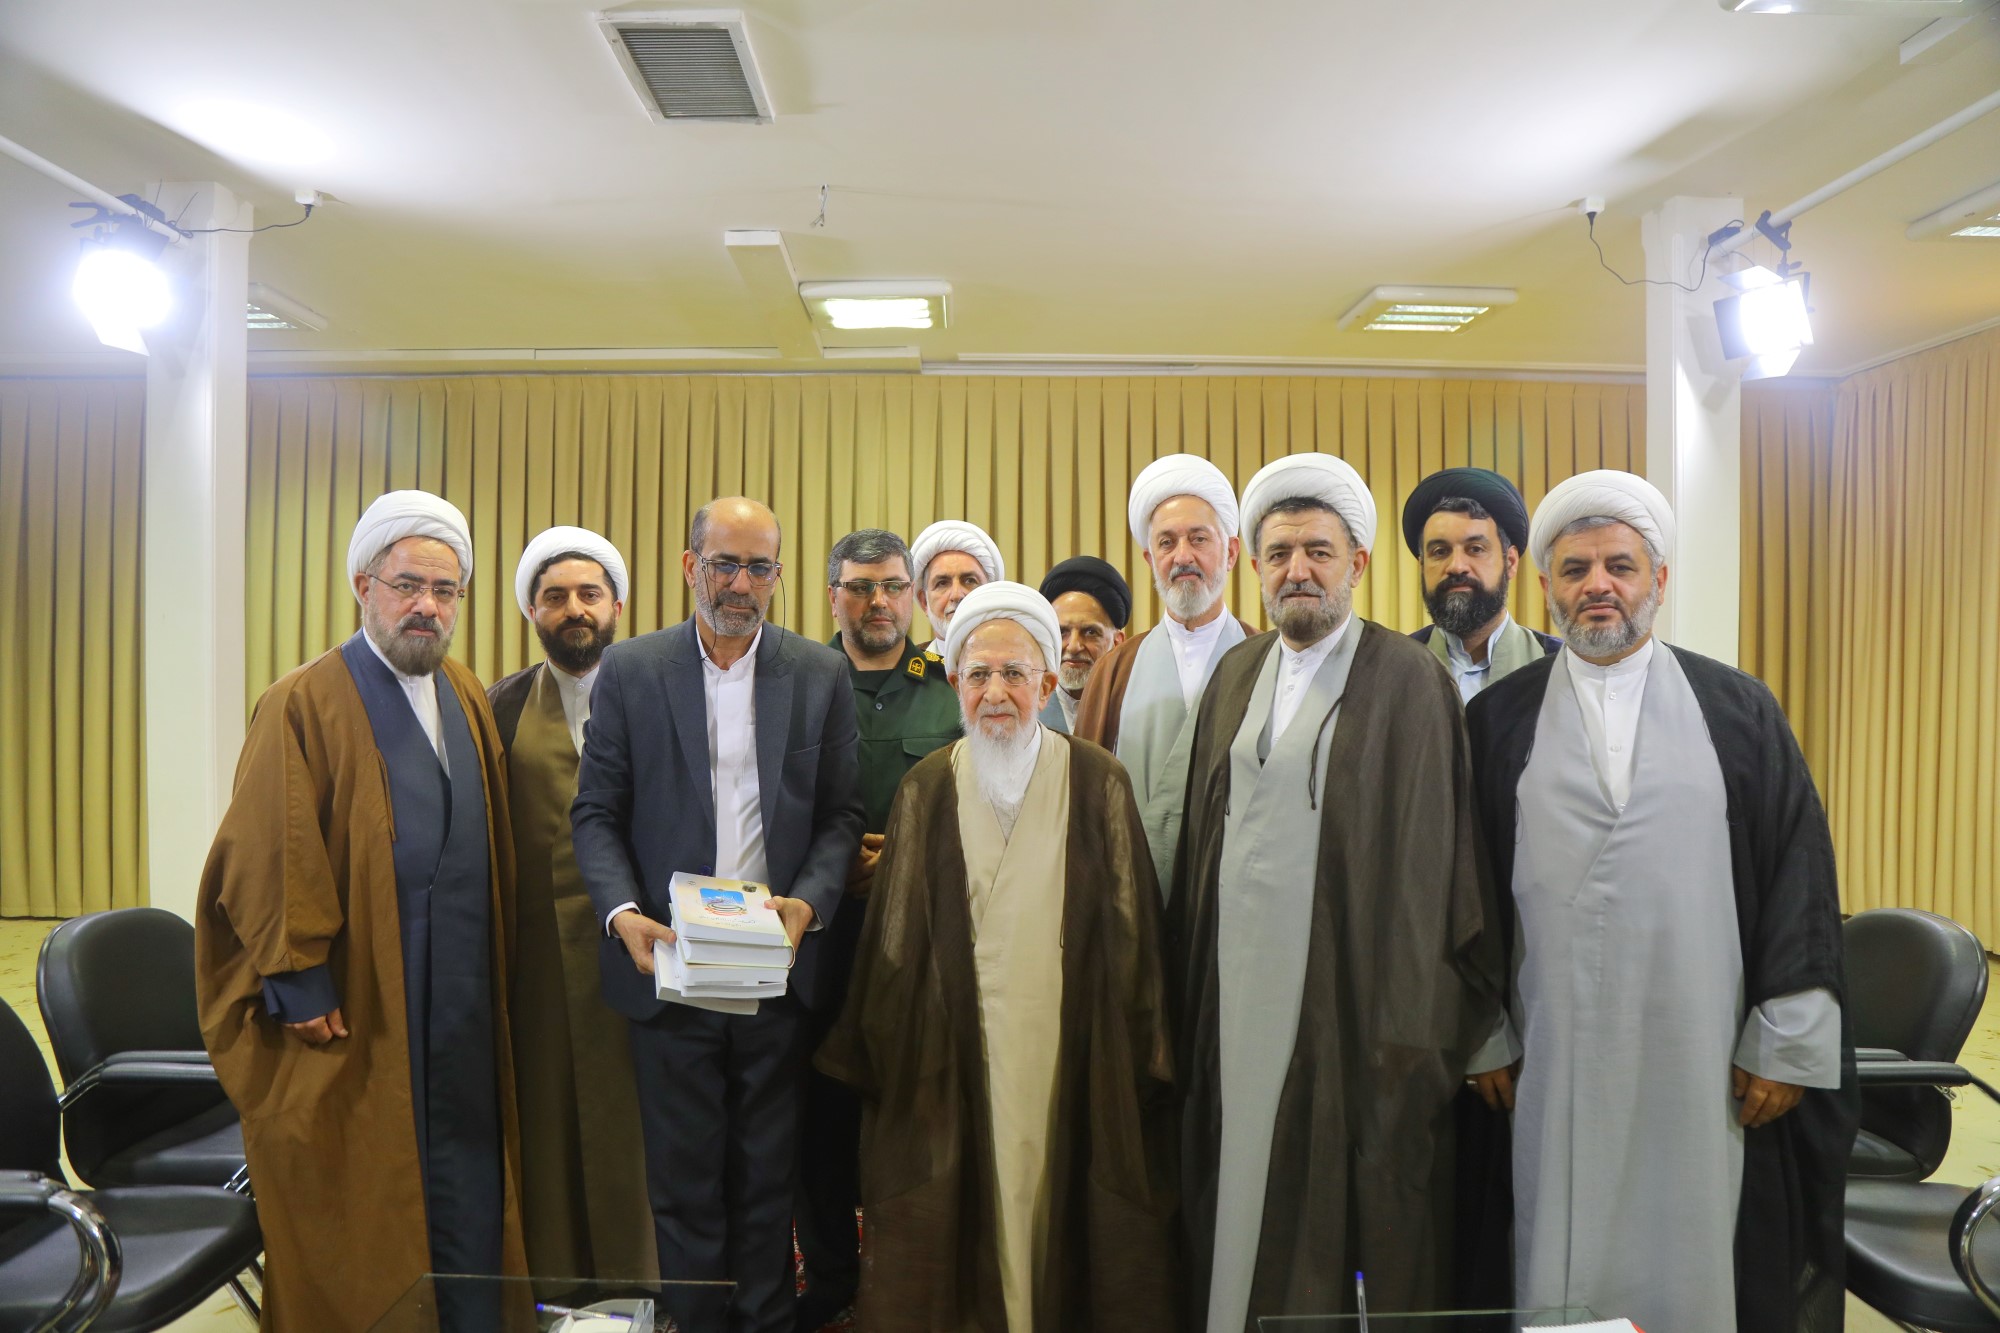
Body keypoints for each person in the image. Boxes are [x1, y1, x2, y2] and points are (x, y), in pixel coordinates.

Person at [1463, 470, 1856, 1332]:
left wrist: (1786, 1039)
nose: (1598, 585)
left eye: (1620, 566)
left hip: (1702, 1054)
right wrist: (1480, 1030)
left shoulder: (1739, 710)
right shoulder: (1496, 720)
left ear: (1660, 579)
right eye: (1575, 569)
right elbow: (1464, 891)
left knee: (1696, 1242)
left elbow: (1798, 874)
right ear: (1546, 586)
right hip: (1548, 1053)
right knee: (1549, 1236)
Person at [1170, 455, 1503, 1330]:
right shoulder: (1236, 672)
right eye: (1279, 553)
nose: (1298, 571)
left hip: (1353, 1001)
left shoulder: (1407, 680)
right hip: (1232, 993)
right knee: (1230, 1182)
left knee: (1341, 1207)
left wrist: (1408, 1026)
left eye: (1318, 551)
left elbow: (1432, 866)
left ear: (1357, 563)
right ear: (1255, 565)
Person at [195, 490, 526, 1329]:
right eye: (407, 584)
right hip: (360, 995)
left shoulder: (463, 689)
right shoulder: (302, 700)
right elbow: (271, 849)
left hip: (460, 995)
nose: (427, 606)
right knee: (368, 1189)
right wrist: (300, 979)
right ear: (362, 584)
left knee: (467, 1170)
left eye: (445, 590)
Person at [817, 582, 1178, 1333]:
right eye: (978, 674)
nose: (995, 693)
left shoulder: (1098, 780)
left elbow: (1133, 937)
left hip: (1073, 1051)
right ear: (955, 681)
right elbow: (893, 948)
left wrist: (1140, 1050)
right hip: (953, 1056)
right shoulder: (925, 786)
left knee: (1068, 1222)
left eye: (1015, 673)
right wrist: (889, 1058)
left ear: (1046, 685)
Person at [570, 496, 864, 1333]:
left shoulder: (819, 672)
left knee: (769, 1180)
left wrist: (809, 902)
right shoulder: (631, 670)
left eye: (758, 567)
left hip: (775, 970)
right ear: (690, 565)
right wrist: (622, 911)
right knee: (685, 1182)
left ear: (779, 574)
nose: (741, 584)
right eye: (725, 564)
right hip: (668, 967)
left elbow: (841, 814)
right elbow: (595, 811)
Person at [796, 526, 962, 1331]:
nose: (878, 602)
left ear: (914, 594)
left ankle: (909, 1279)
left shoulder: (948, 686)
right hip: (817, 940)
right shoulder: (797, 682)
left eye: (893, 585)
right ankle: (829, 1278)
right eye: (860, 587)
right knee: (817, 1118)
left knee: (913, 1116)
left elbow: (974, 796)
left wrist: (900, 857)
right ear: (834, 596)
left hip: (919, 943)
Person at [487, 526, 657, 1284]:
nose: (574, 609)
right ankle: (556, 1285)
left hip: (648, 952)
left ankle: (649, 1285)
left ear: (618, 605)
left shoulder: (659, 692)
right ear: (532, 611)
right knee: (549, 1123)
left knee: (643, 1125)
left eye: (590, 593)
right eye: (554, 597)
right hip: (539, 964)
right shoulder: (498, 706)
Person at [1073, 454, 1254, 891]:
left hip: (1236, 890)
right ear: (1149, 557)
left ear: (1230, 552)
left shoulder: (1265, 656)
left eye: (1199, 539)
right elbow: (1084, 798)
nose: (1182, 556)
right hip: (1134, 893)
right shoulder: (1115, 669)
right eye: (1167, 543)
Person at [1400, 467, 1559, 700]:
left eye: (1475, 549)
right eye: (1440, 551)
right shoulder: (1393, 667)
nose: (1456, 566)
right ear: (1422, 566)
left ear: (1510, 562)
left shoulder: (1559, 665)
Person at [1035, 555, 1130, 734]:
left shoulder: (1136, 709)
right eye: (1062, 632)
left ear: (1118, 642)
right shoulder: (1027, 709)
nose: (1073, 646)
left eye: (1090, 632)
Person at [908, 518, 1005, 654]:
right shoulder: (906, 664)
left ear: (990, 595)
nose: (957, 595)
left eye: (970, 581)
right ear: (924, 602)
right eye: (942, 583)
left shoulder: (1017, 660)